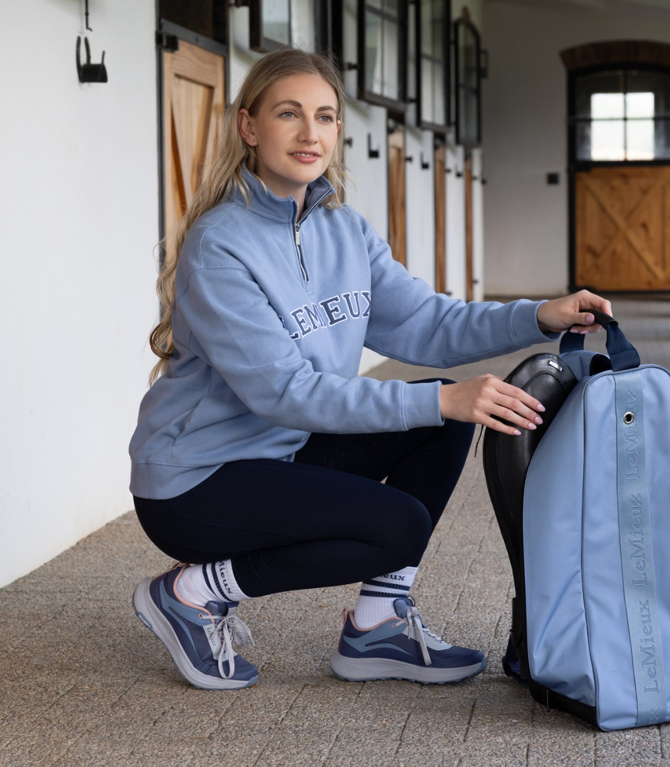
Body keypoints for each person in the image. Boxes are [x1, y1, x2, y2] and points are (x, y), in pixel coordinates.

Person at [129, 47, 612, 691]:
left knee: (443, 413)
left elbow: (430, 326)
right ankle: (192, 593)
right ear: (249, 126)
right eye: (289, 114)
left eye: (325, 117)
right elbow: (284, 393)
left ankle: (377, 626)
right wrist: (441, 402)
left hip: (283, 451)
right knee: (398, 520)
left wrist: (540, 316)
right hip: (196, 481)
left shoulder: (344, 231)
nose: (310, 134)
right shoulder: (221, 245)